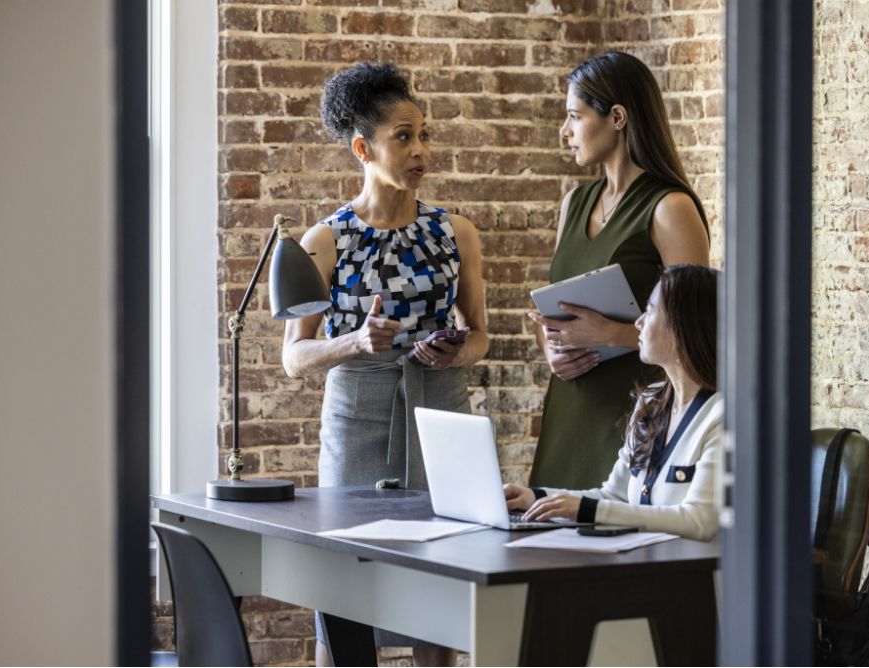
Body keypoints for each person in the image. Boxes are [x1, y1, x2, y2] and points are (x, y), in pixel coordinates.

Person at [282, 62, 487, 668]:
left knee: (440, 591)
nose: (421, 149)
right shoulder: (324, 241)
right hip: (356, 421)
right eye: (404, 136)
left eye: (424, 135)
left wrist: (457, 347)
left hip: (442, 417)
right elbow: (295, 357)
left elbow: (481, 338)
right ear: (362, 148)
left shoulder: (457, 234)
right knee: (342, 593)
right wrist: (355, 342)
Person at [527, 50, 712, 491]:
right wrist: (553, 349)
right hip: (570, 408)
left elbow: (699, 331)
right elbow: (557, 311)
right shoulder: (575, 203)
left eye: (574, 116)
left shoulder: (670, 207)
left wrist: (611, 335)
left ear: (617, 117)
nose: (564, 131)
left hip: (636, 409)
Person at [506, 264, 721, 541]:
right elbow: (612, 496)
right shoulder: (651, 403)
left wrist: (587, 511)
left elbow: (698, 521)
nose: (639, 322)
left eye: (652, 310)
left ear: (684, 325)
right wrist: (534, 496)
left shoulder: (724, 417)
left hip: (694, 577)